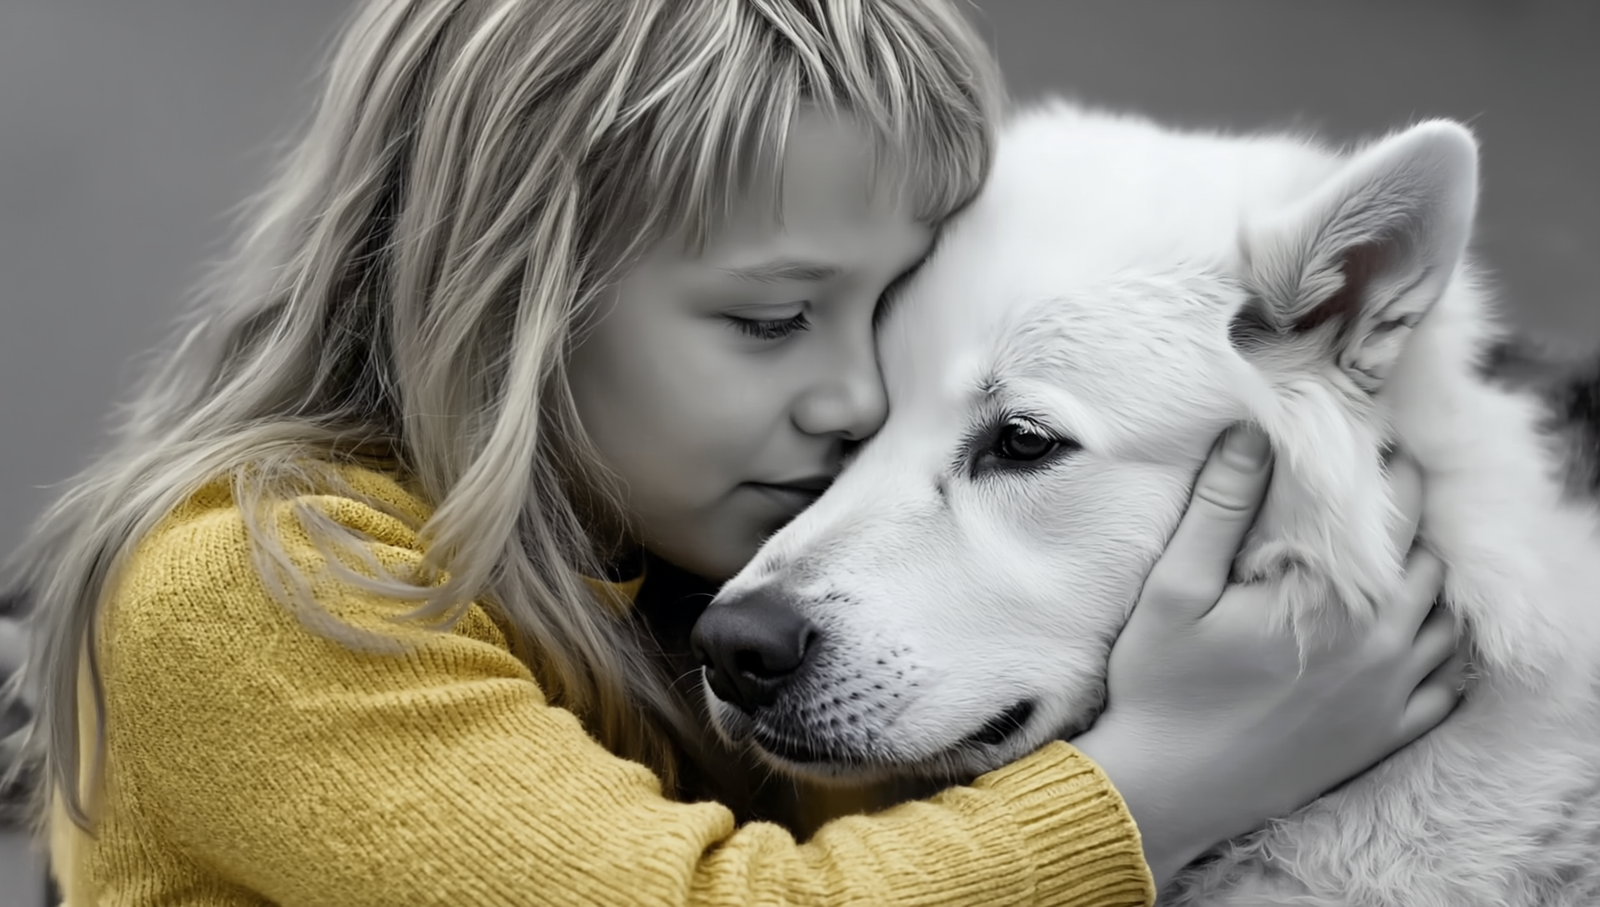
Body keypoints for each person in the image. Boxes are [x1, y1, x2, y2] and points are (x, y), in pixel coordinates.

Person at [0, 1, 1465, 904]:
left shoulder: (685, 555)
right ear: (514, 304)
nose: (850, 400)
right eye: (774, 320)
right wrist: (1172, 775)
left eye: (882, 322)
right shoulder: (259, 593)